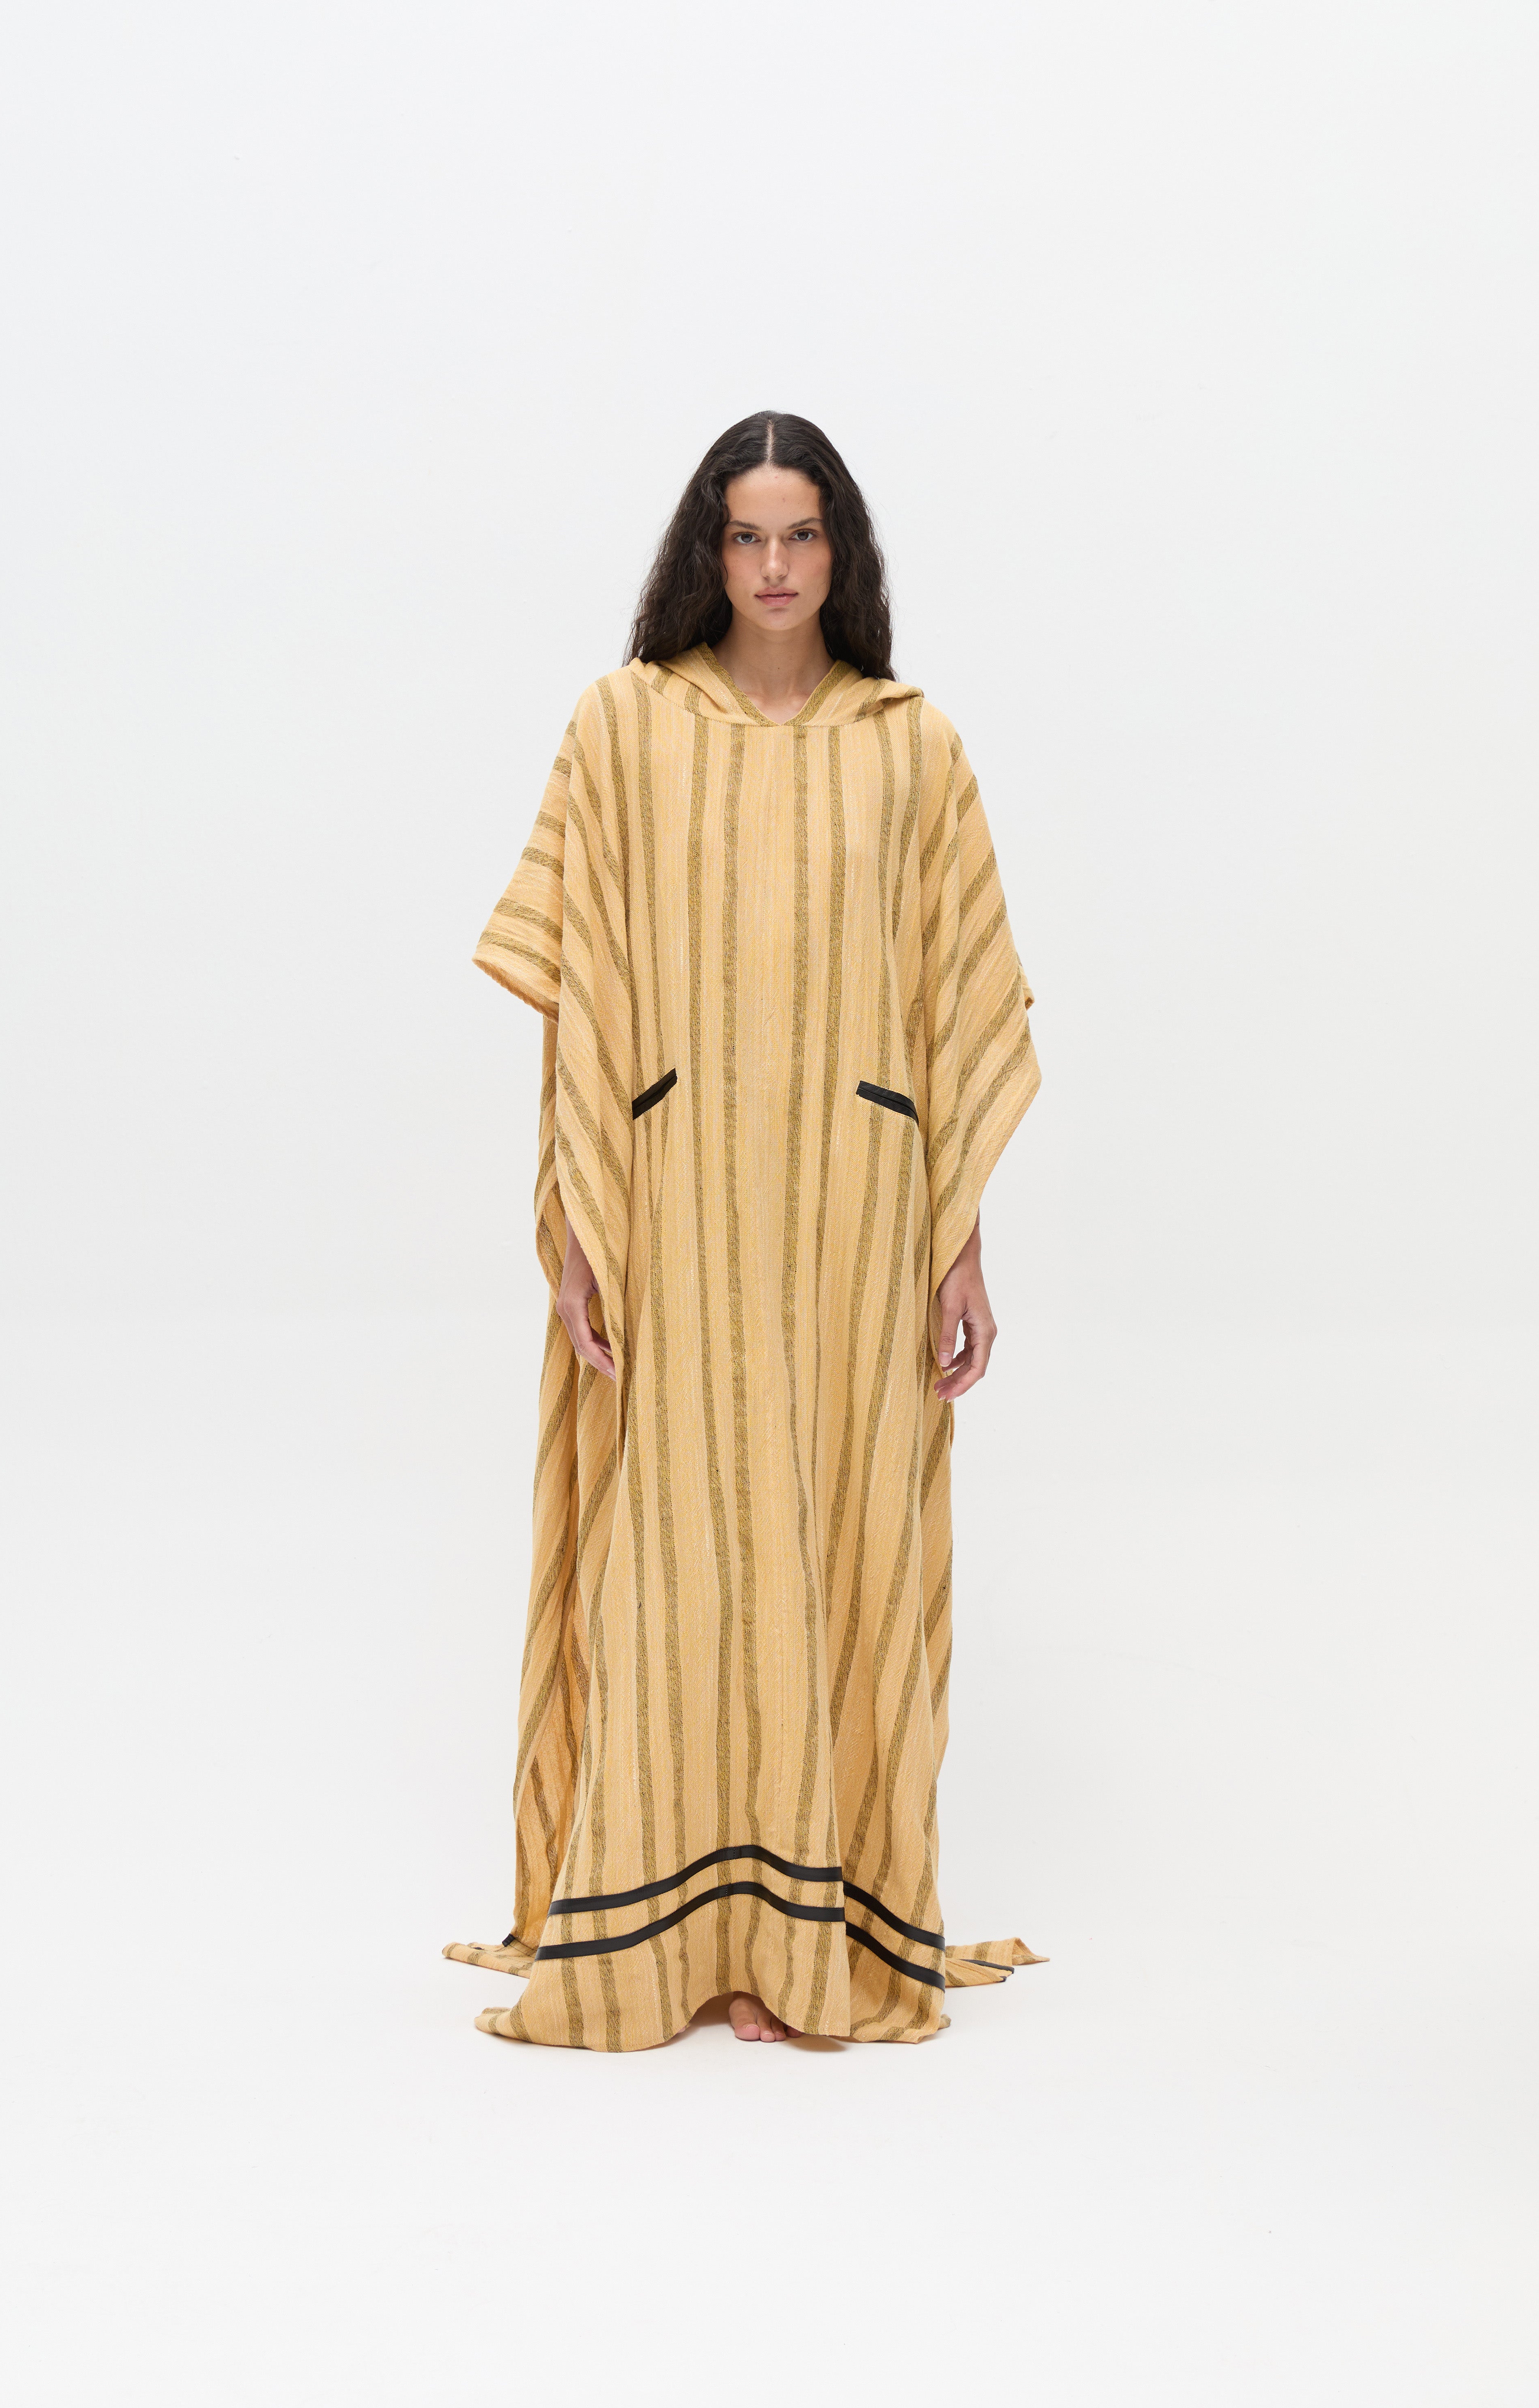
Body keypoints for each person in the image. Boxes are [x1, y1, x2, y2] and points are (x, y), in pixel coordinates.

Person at [445, 412, 1044, 2049]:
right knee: (681, 1553)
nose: (774, 567)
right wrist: (577, 1221)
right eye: (745, 536)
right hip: (679, 1210)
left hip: (859, 1216)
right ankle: (672, 1931)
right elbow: (576, 985)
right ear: (704, 553)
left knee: (840, 1546)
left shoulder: (912, 745)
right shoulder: (624, 724)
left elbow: (957, 1010)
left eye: (802, 534)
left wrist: (960, 1249)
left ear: (842, 551)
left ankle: (809, 1939)